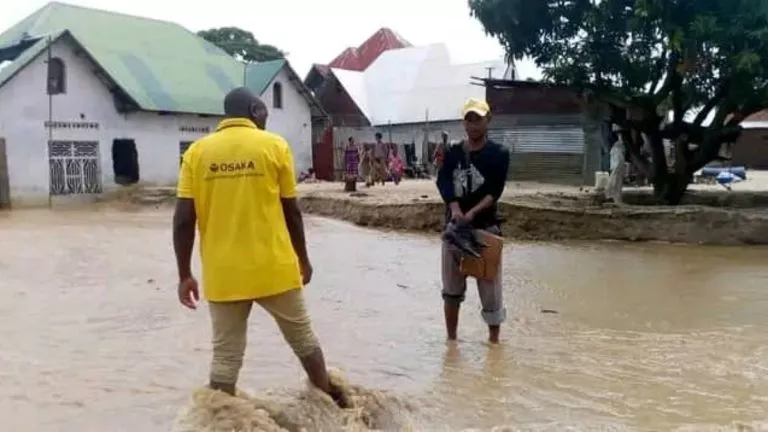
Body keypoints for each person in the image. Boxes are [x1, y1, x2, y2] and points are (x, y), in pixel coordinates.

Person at [172, 87, 346, 406]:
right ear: (255, 110)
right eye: (264, 111)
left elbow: (184, 219)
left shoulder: (196, 153)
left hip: (224, 275)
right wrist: (303, 259)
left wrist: (184, 274)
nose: (266, 118)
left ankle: (220, 423)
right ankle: (337, 409)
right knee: (304, 342)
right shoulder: (274, 146)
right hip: (275, 269)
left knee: (225, 360)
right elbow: (291, 211)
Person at [436, 98, 510, 344]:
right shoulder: (453, 152)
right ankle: (452, 342)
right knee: (451, 292)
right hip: (455, 231)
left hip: (485, 229)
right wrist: (456, 209)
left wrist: (472, 213)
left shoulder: (499, 154)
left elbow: (494, 190)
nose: (473, 125)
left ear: (488, 120)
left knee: (491, 293)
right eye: (468, 119)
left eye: (478, 119)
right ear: (463, 123)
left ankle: (494, 344)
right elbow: (444, 181)